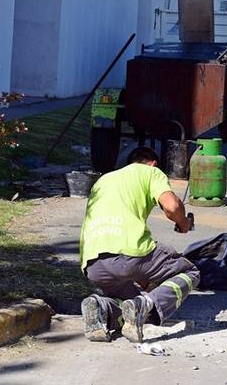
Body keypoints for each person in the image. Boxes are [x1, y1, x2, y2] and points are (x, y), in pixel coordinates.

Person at [79, 147, 197, 343]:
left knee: (133, 305)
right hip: (128, 253)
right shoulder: (150, 172)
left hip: (93, 264)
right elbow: (172, 206)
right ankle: (146, 303)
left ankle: (102, 308)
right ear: (153, 163)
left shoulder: (105, 179)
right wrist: (183, 222)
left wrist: (143, 277)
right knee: (191, 273)